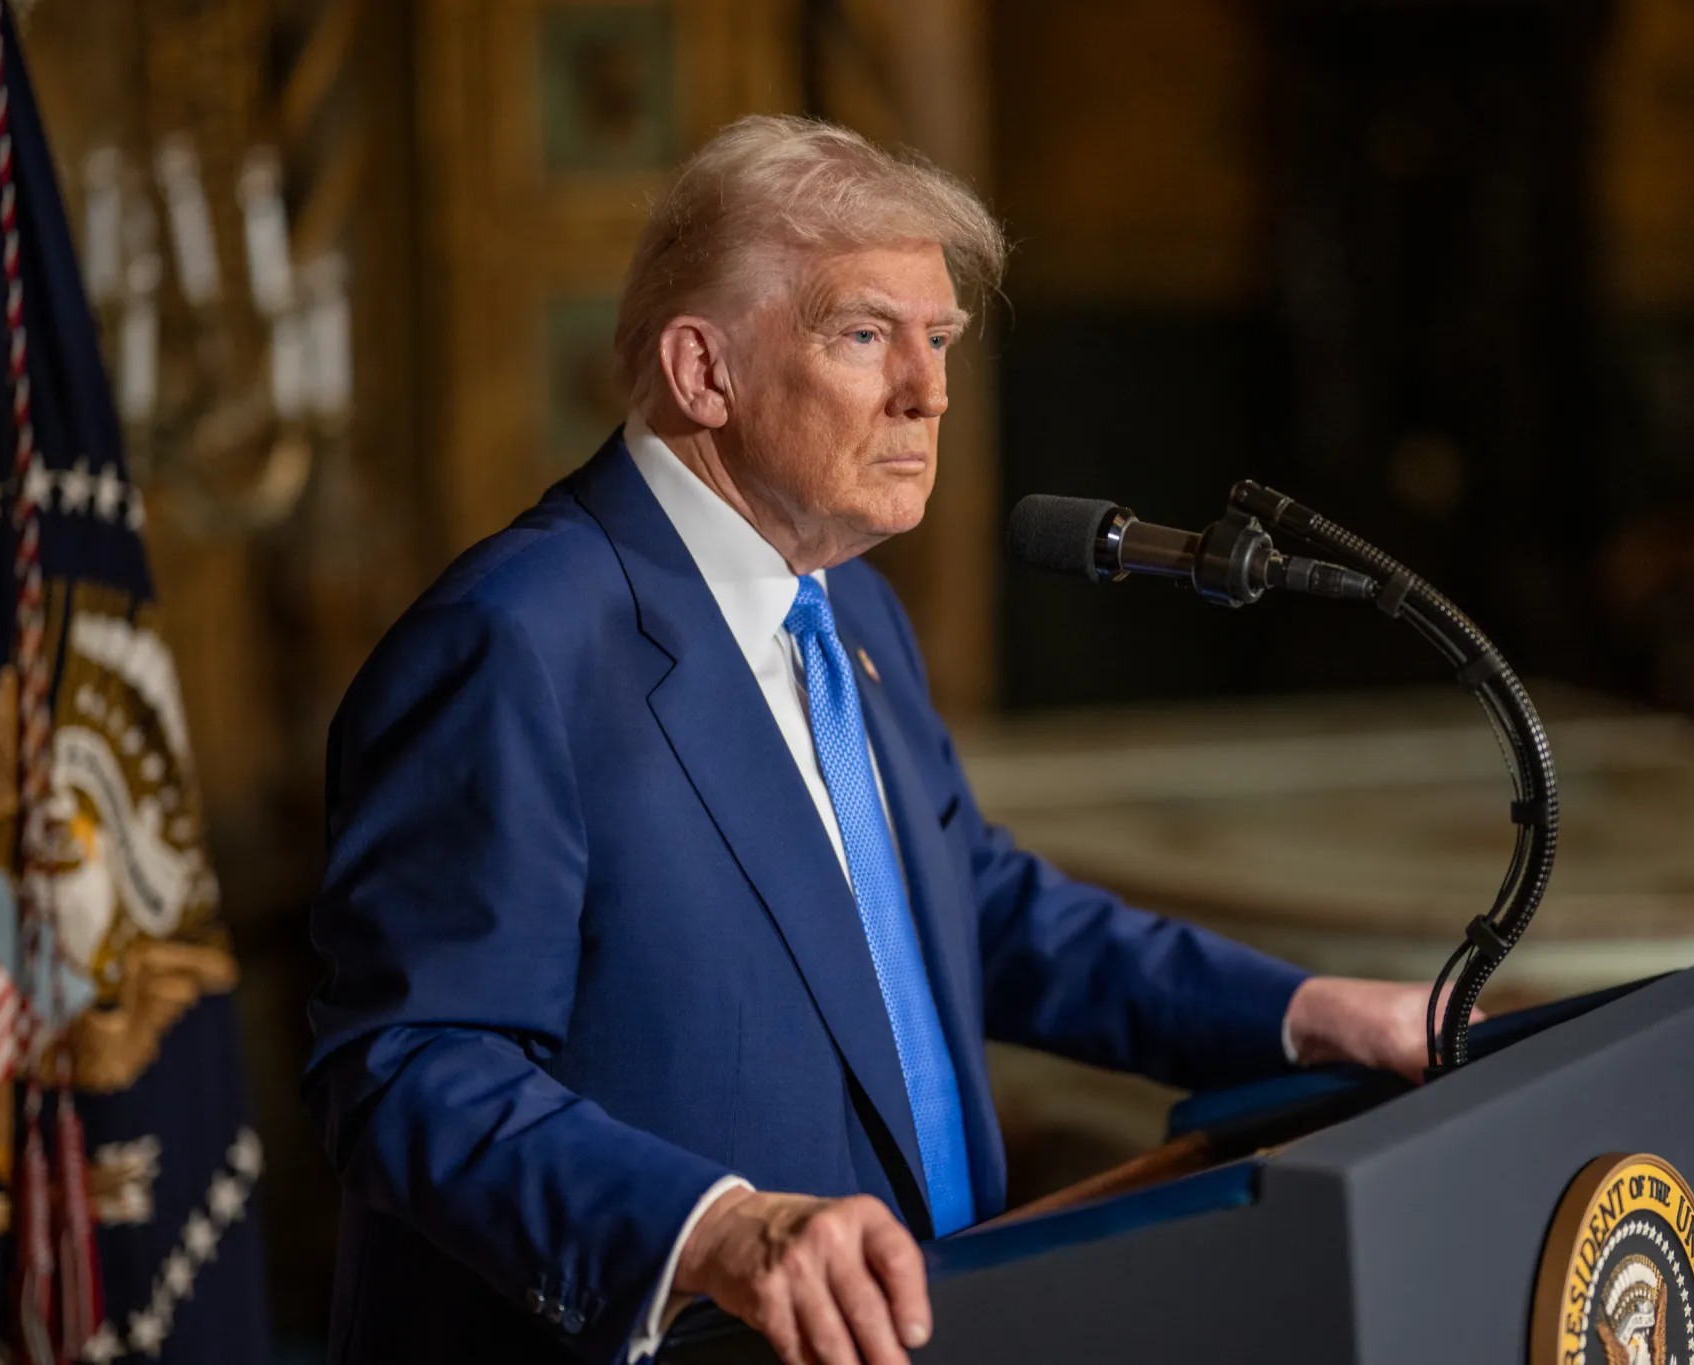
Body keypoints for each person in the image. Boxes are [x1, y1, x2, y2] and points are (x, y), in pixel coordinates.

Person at [304, 115, 1454, 1365]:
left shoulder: (844, 604)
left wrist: (1305, 1012)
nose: (930, 389)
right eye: (865, 335)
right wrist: (714, 1231)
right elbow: (409, 1065)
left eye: (941, 339)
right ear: (704, 373)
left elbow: (968, 908)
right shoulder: (512, 643)